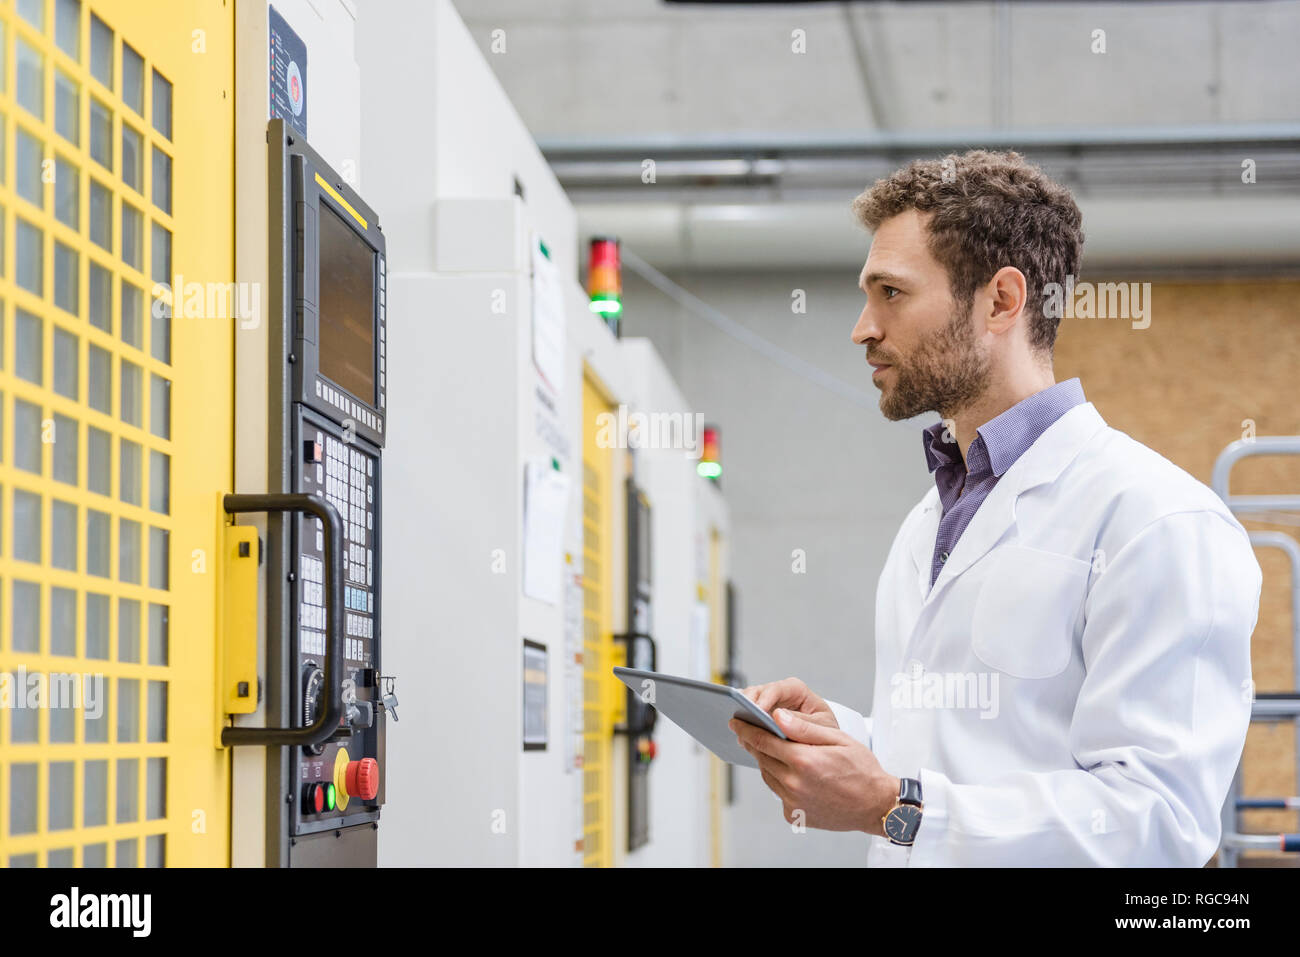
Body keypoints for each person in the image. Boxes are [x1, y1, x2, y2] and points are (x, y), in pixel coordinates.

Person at [729, 149, 1262, 866]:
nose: (862, 328)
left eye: (891, 292)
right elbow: (957, 750)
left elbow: (1156, 821)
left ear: (1003, 300)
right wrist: (848, 740)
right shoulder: (931, 518)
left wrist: (894, 805)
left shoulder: (1157, 519)